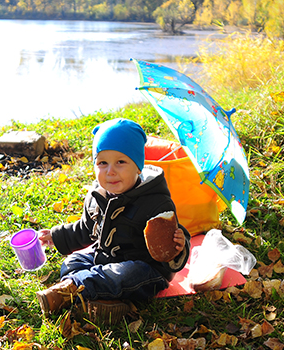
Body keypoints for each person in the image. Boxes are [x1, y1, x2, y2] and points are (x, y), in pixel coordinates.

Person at [37, 118, 191, 322]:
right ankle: (106, 304)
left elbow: (170, 239)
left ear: (138, 167)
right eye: (102, 163)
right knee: (72, 262)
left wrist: (179, 247)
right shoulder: (96, 197)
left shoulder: (155, 201)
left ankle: (74, 288)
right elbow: (85, 229)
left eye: (121, 162)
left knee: (125, 274)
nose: (110, 171)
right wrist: (57, 236)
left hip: (146, 269)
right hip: (106, 258)